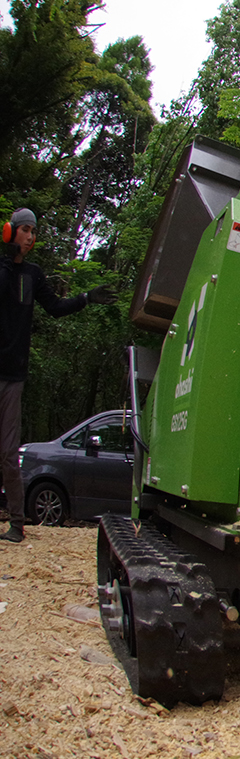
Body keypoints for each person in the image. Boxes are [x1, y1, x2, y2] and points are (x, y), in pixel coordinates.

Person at [0, 208, 116, 542]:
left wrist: (85, 298)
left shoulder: (33, 275)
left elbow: (54, 307)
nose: (30, 237)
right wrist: (10, 261)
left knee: (8, 452)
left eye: (33, 232)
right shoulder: (3, 267)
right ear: (10, 233)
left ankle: (17, 524)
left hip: (14, 375)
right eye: (24, 230)